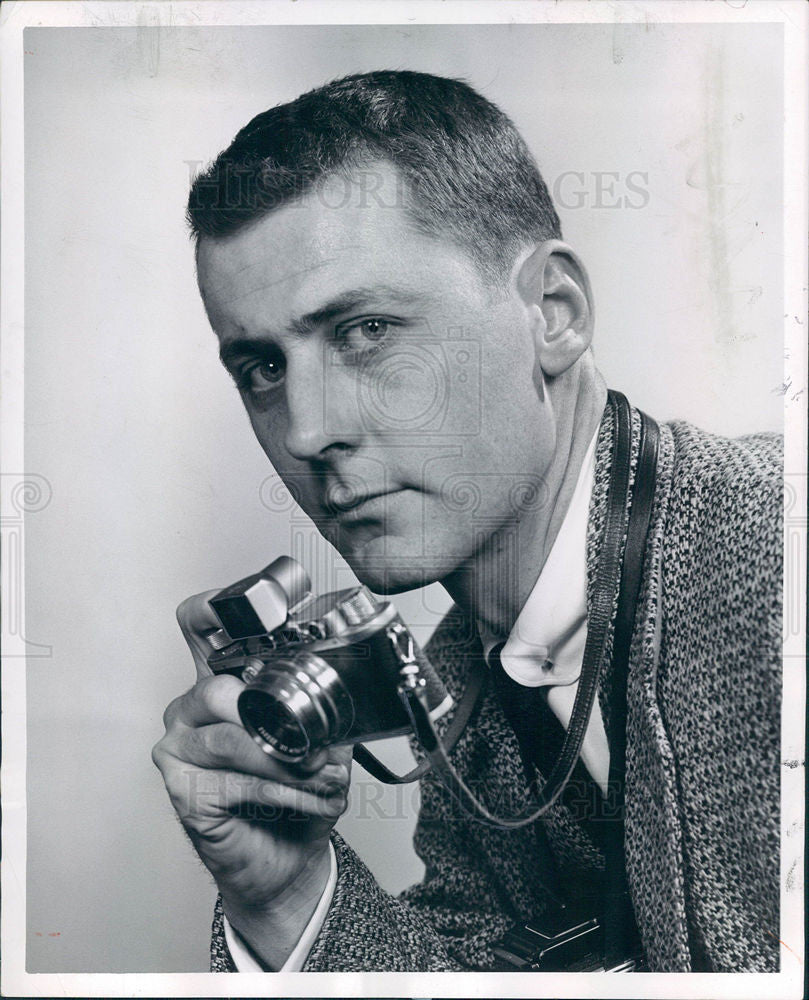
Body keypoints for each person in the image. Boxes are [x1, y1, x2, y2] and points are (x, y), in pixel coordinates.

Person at [151, 70, 782, 973]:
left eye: (365, 330)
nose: (307, 429)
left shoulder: (773, 548)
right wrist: (285, 894)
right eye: (260, 367)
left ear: (552, 314)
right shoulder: (459, 677)